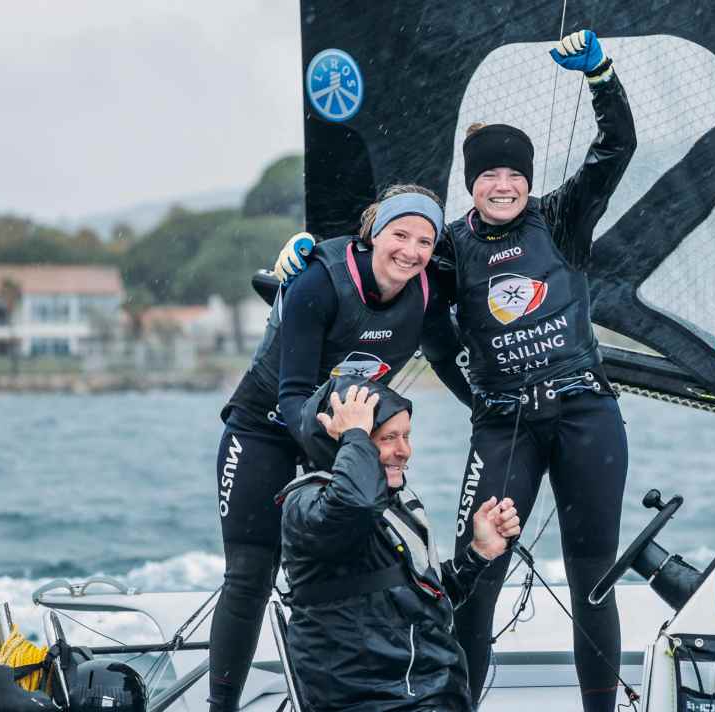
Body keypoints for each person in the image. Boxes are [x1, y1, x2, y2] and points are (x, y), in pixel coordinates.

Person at [438, 30, 637, 711]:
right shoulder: (447, 249)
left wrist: (601, 77)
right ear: (473, 184)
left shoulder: (562, 218)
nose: (503, 184)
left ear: (528, 179)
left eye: (514, 173)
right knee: (477, 574)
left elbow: (616, 150)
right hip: (504, 429)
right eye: (489, 174)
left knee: (594, 581)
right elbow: (410, 309)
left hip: (587, 414)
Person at [208, 185, 464, 711]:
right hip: (266, 428)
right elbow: (293, 395)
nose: (411, 251)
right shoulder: (318, 284)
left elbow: (447, 356)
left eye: (424, 240)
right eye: (400, 234)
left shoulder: (424, 293)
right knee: (251, 573)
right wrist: (347, 450)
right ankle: (221, 706)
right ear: (373, 234)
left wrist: (487, 406)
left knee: (380, 568)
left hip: (345, 440)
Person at [278, 378, 520, 711]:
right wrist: (355, 435)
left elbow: (418, 598)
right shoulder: (307, 505)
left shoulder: (392, 502)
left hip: (432, 693)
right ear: (339, 440)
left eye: (406, 436)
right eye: (388, 438)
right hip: (372, 701)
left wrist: (479, 554)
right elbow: (355, 505)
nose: (404, 450)